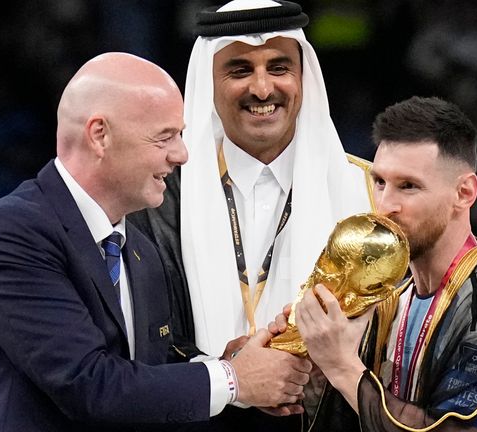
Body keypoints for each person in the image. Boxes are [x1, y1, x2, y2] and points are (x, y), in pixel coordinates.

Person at [0, 52, 311, 432]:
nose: (181, 154)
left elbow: (147, 372)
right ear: (100, 136)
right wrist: (233, 380)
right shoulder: (11, 234)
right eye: (165, 136)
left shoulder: (139, 249)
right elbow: (90, 385)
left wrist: (235, 365)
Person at [128, 0, 374, 429]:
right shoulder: (158, 196)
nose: (262, 89)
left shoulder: (364, 190)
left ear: (304, 79)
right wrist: (227, 370)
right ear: (209, 82)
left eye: (279, 68)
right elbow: (138, 335)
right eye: (240, 70)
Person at [291, 96, 477, 431]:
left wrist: (343, 366)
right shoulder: (389, 295)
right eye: (380, 181)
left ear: (464, 193)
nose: (385, 205)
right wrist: (317, 375)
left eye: (408, 186)